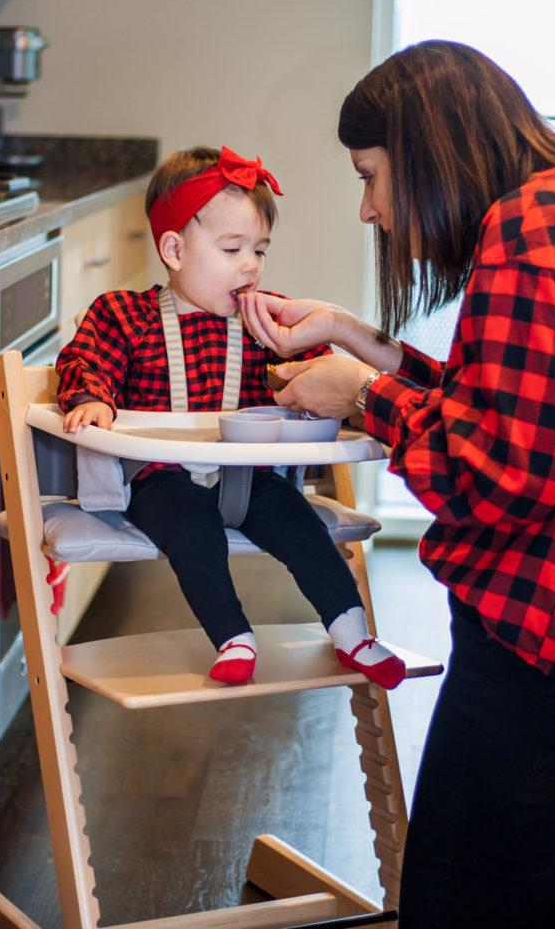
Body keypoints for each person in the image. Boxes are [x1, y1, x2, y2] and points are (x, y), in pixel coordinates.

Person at [238, 42, 555, 927]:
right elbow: (526, 406)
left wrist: (365, 397)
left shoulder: (532, 229)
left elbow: (502, 474)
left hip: (544, 653)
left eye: (370, 175)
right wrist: (358, 341)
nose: (369, 209)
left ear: (426, 149)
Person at [55, 144, 405, 690]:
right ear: (173, 248)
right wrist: (91, 399)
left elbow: (316, 374)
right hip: (162, 482)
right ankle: (233, 637)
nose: (251, 265)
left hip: (252, 481)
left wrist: (320, 381)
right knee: (194, 537)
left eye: (260, 250)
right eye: (232, 248)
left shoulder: (266, 321)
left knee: (306, 530)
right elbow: (86, 359)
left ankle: (353, 631)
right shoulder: (125, 316)